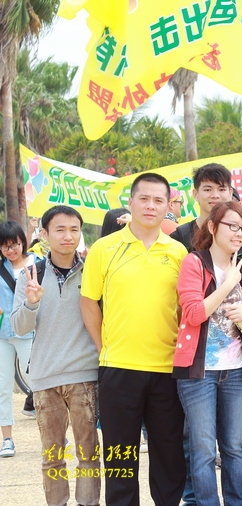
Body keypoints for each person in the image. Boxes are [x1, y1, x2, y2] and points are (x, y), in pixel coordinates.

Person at [81, 172, 188, 506]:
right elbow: (89, 301)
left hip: (167, 370)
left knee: (169, 455)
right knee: (120, 456)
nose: (150, 206)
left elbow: (184, 308)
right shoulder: (104, 248)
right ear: (130, 202)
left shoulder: (179, 252)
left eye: (158, 200)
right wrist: (103, 348)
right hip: (118, 368)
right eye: (144, 198)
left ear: (168, 206)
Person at [10, 205, 100, 506]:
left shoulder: (92, 271)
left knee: (89, 454)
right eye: (60, 230)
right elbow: (19, 327)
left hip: (85, 376)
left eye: (74, 230)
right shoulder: (31, 274)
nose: (68, 236)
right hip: (45, 378)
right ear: (44, 234)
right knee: (52, 457)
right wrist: (32, 302)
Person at [174, 200, 242, 506]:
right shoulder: (194, 263)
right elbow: (193, 314)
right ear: (212, 227)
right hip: (198, 373)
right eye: (232, 226)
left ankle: (236, 502)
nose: (239, 233)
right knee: (203, 449)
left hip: (238, 371)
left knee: (234, 447)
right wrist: (227, 284)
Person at [0, 220, 39, 458]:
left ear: (22, 242)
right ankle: (7, 439)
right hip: (3, 335)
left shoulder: (38, 263)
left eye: (14, 244)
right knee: (2, 388)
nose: (11, 250)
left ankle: (54, 434)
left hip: (29, 332)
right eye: (5, 246)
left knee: (39, 384)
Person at [171, 163, 233, 252]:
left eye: (222, 189)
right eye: (208, 190)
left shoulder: (241, 234)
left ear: (230, 193)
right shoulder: (179, 237)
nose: (215, 195)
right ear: (195, 194)